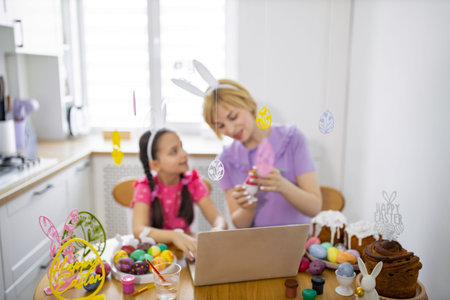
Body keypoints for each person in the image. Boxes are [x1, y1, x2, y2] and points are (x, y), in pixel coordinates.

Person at [202, 79, 322, 228]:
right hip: (258, 243)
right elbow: (240, 225)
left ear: (248, 105)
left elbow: (315, 207)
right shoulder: (226, 159)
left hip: (298, 241)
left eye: (233, 117)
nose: (231, 129)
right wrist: (249, 206)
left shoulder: (293, 139)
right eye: (220, 126)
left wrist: (283, 186)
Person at [131, 129, 227, 260]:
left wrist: (218, 229)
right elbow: (138, 230)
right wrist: (174, 236)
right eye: (174, 151)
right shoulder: (144, 187)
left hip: (185, 256)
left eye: (182, 147)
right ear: (155, 164)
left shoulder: (193, 183)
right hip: (155, 258)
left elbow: (218, 219)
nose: (185, 154)